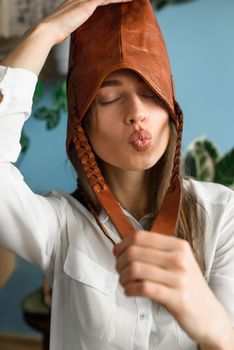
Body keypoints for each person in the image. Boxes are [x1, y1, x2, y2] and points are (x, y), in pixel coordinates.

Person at [0, 0, 234, 349]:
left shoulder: (222, 213)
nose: (137, 113)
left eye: (151, 94)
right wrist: (44, 33)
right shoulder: (59, 226)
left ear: (171, 111)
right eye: (109, 98)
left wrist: (209, 320)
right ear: (82, 128)